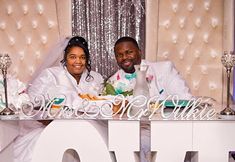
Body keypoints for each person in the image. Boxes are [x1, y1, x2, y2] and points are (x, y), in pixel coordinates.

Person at [13, 36, 104, 162]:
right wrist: (51, 118)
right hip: (54, 128)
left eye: (82, 57)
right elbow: (33, 104)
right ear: (65, 58)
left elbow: (102, 104)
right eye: (73, 57)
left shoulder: (96, 78)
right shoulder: (51, 75)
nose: (78, 61)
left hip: (90, 129)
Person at [107, 36, 193, 162]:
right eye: (119, 55)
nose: (124, 57)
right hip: (133, 131)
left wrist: (158, 107)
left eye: (129, 52)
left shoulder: (164, 70)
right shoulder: (113, 82)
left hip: (167, 126)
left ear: (139, 52)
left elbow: (186, 99)